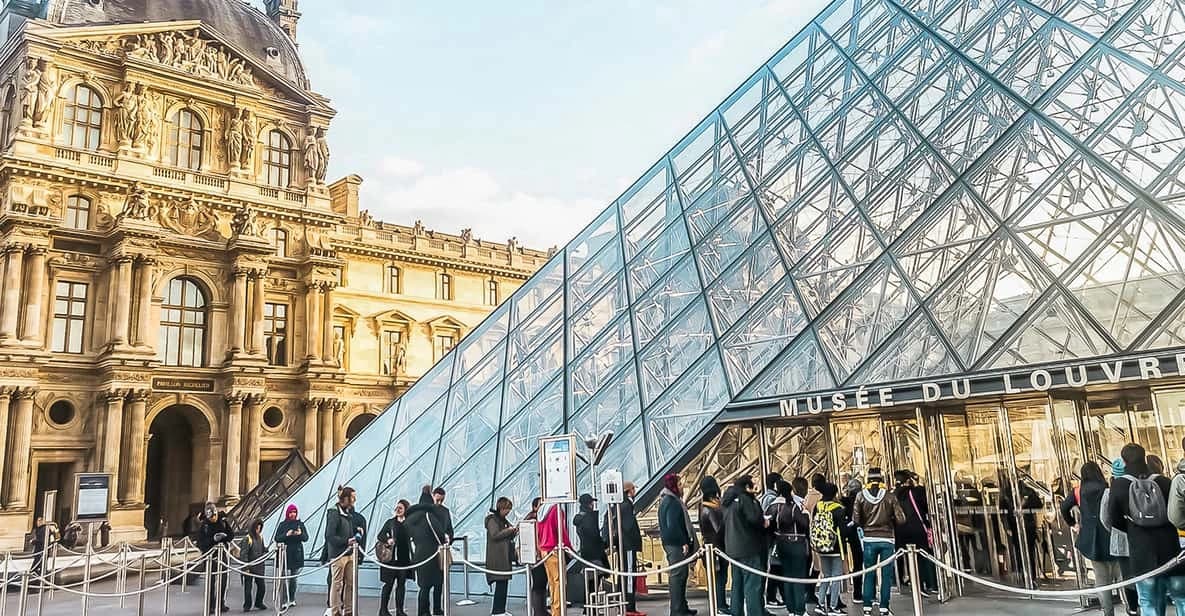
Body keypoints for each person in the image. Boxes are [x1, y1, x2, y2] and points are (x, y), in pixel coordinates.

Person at [1107, 443, 1178, 616]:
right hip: (1171, 549)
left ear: (1123, 461)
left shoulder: (1119, 485)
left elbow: (1113, 519)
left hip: (1142, 551)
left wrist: (1132, 528)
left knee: (1148, 601)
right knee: (1182, 597)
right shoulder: (1164, 481)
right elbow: (1176, 513)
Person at [1062, 462, 1119, 616]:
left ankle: (1108, 612)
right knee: (1121, 576)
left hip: (1092, 540)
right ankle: (1131, 608)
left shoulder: (1078, 492)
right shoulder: (1106, 488)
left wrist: (1073, 524)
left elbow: (1064, 507)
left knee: (1101, 579)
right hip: (1110, 535)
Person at [852, 467, 904, 616]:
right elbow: (901, 519)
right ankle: (884, 608)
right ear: (881, 480)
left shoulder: (860, 496)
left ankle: (867, 606)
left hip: (869, 539)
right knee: (886, 575)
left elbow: (856, 519)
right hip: (887, 539)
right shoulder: (890, 496)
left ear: (868, 480)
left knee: (869, 573)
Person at [724, 475, 767, 616]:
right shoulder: (745, 499)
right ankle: (755, 613)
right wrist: (763, 521)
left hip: (732, 548)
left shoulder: (728, 500)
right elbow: (754, 518)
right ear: (747, 487)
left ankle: (736, 612)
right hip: (748, 547)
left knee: (737, 584)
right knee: (752, 585)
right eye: (753, 484)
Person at [1101, 458, 1139, 616]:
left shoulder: (1109, 492)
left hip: (1120, 541)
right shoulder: (1137, 486)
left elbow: (1105, 518)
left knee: (1127, 576)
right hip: (1140, 539)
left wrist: (1115, 531)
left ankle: (1132, 608)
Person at [767, 480, 810, 616]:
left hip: (781, 544)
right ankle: (799, 609)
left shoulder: (773, 506)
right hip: (796, 544)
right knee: (798, 578)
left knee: (787, 576)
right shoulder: (793, 507)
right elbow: (804, 524)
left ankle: (790, 608)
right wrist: (806, 515)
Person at [658, 473, 698, 616]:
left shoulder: (667, 501)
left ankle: (682, 607)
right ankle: (677, 610)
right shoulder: (672, 502)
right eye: (680, 484)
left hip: (671, 544)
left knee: (681, 575)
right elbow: (673, 525)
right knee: (678, 576)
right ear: (674, 486)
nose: (683, 488)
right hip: (675, 545)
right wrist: (683, 542)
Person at [603, 481, 645, 616]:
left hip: (623, 545)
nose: (635, 491)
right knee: (629, 574)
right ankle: (629, 606)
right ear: (629, 490)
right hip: (628, 546)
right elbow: (628, 527)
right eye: (634, 488)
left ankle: (625, 604)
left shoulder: (618, 505)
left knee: (624, 573)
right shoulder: (626, 506)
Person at [893, 471, 937, 597]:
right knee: (923, 556)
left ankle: (912, 582)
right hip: (917, 528)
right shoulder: (916, 492)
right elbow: (927, 505)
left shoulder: (893, 494)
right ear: (908, 480)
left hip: (900, 530)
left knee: (907, 556)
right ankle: (930, 584)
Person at [326, 486, 368, 616]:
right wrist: (346, 541)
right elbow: (329, 536)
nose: (354, 500)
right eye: (352, 497)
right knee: (337, 584)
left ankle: (349, 611)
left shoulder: (348, 514)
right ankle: (335, 611)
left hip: (350, 554)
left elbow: (346, 531)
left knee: (350, 584)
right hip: (339, 555)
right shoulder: (334, 513)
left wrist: (355, 532)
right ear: (345, 498)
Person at [406, 490, 448, 616]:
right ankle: (436, 609)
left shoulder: (410, 519)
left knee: (424, 586)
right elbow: (440, 534)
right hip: (432, 554)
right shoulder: (430, 516)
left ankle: (422, 611)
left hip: (419, 553)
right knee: (437, 583)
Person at [812, 483, 847, 616]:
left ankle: (820, 604)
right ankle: (833, 606)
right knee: (836, 577)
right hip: (836, 547)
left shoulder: (818, 506)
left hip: (821, 546)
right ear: (834, 494)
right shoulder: (839, 509)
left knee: (825, 576)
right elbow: (843, 530)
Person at [537, 498, 572, 616]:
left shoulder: (541, 510)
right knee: (559, 583)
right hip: (554, 549)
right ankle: (558, 612)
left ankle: (554, 609)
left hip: (544, 550)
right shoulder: (556, 509)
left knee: (552, 583)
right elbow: (561, 531)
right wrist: (569, 548)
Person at [377, 500, 414, 616]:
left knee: (401, 585)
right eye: (397, 508)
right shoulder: (390, 523)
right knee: (388, 584)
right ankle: (383, 610)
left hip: (404, 560)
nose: (397, 510)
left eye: (400, 508)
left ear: (406, 510)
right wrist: (388, 540)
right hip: (391, 561)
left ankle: (400, 610)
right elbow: (380, 535)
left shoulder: (409, 523)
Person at [699, 476, 729, 615]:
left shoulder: (704, 505)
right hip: (716, 547)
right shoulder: (710, 508)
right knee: (720, 577)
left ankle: (720, 603)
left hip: (710, 546)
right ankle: (720, 604)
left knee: (719, 577)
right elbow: (718, 528)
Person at [198, 501, 234, 613]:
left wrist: (225, 533)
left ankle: (220, 602)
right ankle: (210, 605)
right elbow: (200, 543)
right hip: (209, 557)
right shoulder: (204, 526)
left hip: (221, 555)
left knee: (223, 580)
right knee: (211, 581)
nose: (213, 518)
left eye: (215, 516)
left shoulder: (222, 521)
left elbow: (231, 536)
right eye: (211, 517)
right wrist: (213, 539)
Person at [485, 497, 518, 616]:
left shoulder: (502, 520)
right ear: (501, 507)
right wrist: (509, 530)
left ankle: (501, 610)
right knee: (500, 584)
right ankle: (497, 611)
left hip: (504, 556)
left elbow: (505, 534)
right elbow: (495, 535)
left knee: (503, 584)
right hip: (498, 557)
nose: (508, 511)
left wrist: (513, 531)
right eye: (507, 509)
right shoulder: (492, 520)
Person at [274, 504, 308, 611]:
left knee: (293, 578)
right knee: (284, 578)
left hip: (296, 554)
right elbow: (277, 538)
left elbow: (306, 538)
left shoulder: (300, 524)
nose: (293, 514)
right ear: (287, 513)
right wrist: (287, 535)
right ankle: (284, 600)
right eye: (291, 512)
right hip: (285, 553)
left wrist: (299, 534)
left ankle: (292, 598)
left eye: (294, 512)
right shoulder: (282, 525)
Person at [760, 472, 784, 610]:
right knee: (775, 567)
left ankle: (776, 595)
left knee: (776, 567)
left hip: (769, 538)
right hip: (772, 538)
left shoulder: (766, 497)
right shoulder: (771, 499)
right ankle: (771, 596)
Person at [432, 487, 454, 616]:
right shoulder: (427, 511)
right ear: (433, 496)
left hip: (442, 549)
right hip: (430, 550)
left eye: (442, 500)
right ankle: (425, 609)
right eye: (438, 500)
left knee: (440, 581)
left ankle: (437, 607)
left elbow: (450, 528)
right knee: (428, 582)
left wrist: (449, 539)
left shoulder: (446, 511)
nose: (440, 503)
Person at [526, 498, 549, 616]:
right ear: (535, 507)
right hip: (537, 557)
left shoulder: (535, 518)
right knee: (539, 584)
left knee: (541, 583)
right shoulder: (534, 519)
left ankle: (541, 610)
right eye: (541, 505)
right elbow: (536, 538)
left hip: (539, 556)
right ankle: (539, 611)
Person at [239, 518, 268, 612]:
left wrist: (267, 549)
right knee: (248, 588)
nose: (258, 530)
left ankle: (258, 602)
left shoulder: (261, 537)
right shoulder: (247, 539)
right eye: (257, 528)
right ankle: (247, 605)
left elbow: (262, 549)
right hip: (250, 567)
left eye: (260, 528)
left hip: (259, 566)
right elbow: (243, 554)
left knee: (262, 587)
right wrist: (246, 567)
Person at [29, 516, 55, 590]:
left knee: (36, 568)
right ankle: (40, 583)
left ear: (41, 521)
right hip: (42, 551)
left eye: (38, 521)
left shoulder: (43, 529)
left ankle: (38, 584)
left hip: (41, 551)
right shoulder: (45, 529)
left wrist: (33, 541)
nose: (37, 523)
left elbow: (42, 541)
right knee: (41, 567)